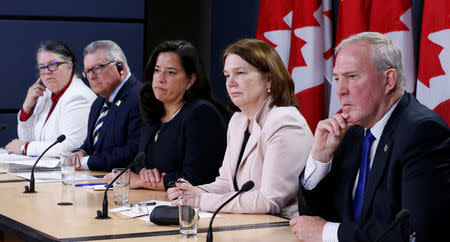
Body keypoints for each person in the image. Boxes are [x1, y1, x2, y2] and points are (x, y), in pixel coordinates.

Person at [290, 32, 450, 241]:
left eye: (352, 76)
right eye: (338, 78)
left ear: (388, 79)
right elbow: (313, 219)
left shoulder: (422, 132)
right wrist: (320, 158)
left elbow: (416, 233)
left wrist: (329, 232)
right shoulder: (352, 131)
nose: (340, 90)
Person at [167, 38, 313, 219]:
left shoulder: (285, 121)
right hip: (248, 223)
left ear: (269, 78)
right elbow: (227, 183)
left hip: (284, 227)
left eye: (240, 73)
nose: (231, 83)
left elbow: (269, 201)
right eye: (227, 75)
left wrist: (200, 200)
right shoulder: (238, 120)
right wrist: (190, 192)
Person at [105, 40, 228, 190]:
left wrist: (141, 181)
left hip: (190, 208)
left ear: (190, 79)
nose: (160, 78)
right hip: (154, 202)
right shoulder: (154, 109)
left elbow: (197, 178)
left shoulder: (201, 114)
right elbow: (139, 160)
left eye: (171, 72)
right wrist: (144, 171)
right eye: (157, 70)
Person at [5, 41, 96, 157]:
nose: (46, 72)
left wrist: (25, 148)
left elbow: (71, 147)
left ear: (69, 66)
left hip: (70, 172)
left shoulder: (79, 97)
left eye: (52, 65)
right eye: (41, 67)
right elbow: (28, 139)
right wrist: (27, 108)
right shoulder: (47, 94)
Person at [74, 40, 142, 171]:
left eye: (98, 68)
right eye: (87, 71)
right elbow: (92, 144)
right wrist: (81, 152)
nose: (92, 77)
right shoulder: (99, 102)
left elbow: (134, 151)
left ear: (120, 68)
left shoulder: (140, 98)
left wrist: (87, 162)